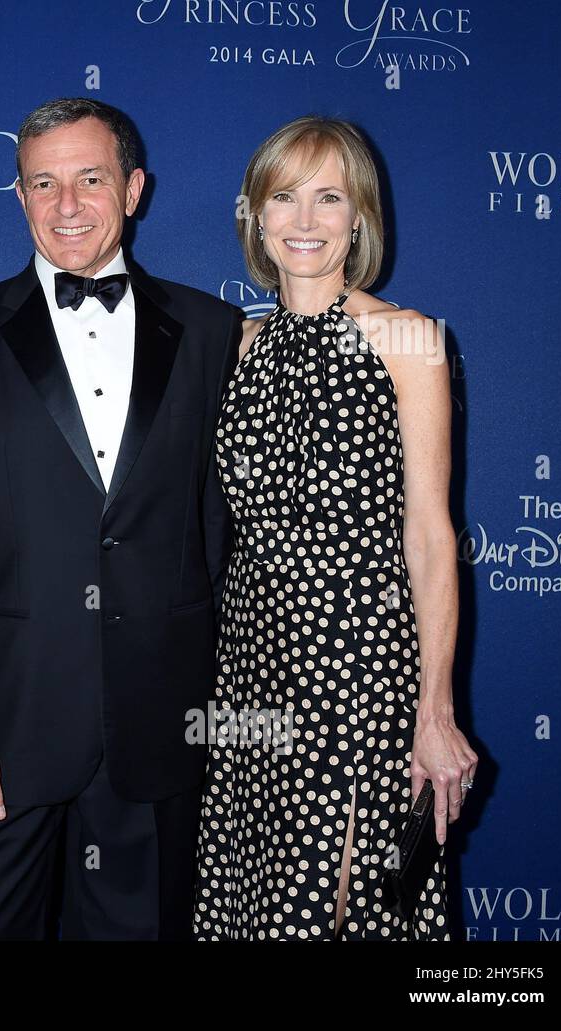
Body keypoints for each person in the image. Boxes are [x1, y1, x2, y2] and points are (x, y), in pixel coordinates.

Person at [0, 98, 243, 940]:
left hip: (158, 728)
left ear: (134, 188)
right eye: (42, 183)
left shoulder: (212, 331)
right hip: (4, 729)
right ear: (18, 197)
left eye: (90, 178)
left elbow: (223, 535)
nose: (67, 205)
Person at [193, 116, 478, 940]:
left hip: (360, 666)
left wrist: (435, 708)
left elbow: (430, 537)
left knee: (346, 905)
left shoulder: (406, 340)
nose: (306, 220)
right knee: (258, 899)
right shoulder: (238, 348)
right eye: (284, 197)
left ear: (360, 217)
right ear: (254, 214)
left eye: (330, 198)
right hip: (251, 661)